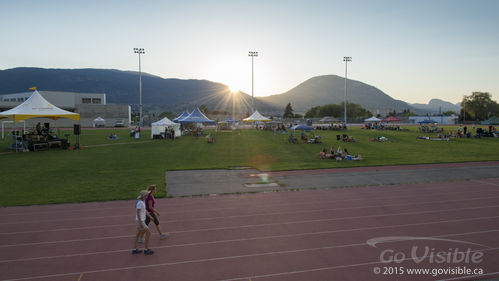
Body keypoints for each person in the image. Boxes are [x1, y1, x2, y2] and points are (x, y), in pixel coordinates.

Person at [132, 190, 154, 255]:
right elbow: (138, 213)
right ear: (144, 196)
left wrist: (150, 217)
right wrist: (141, 222)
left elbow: (144, 211)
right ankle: (146, 249)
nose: (147, 195)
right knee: (148, 233)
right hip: (140, 221)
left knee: (138, 234)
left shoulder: (141, 202)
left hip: (140, 221)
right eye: (147, 194)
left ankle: (135, 249)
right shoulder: (140, 203)